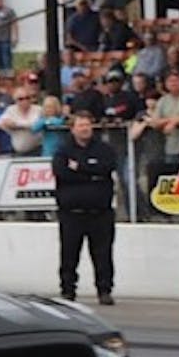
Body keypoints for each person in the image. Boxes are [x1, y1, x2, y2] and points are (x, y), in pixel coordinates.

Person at [52, 112, 117, 304]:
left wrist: (79, 167)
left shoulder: (104, 149)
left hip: (100, 213)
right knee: (69, 254)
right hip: (72, 214)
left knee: (103, 254)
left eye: (87, 125)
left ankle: (104, 290)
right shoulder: (63, 151)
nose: (84, 129)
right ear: (73, 128)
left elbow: (107, 168)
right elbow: (62, 173)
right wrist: (91, 173)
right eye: (80, 125)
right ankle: (68, 290)